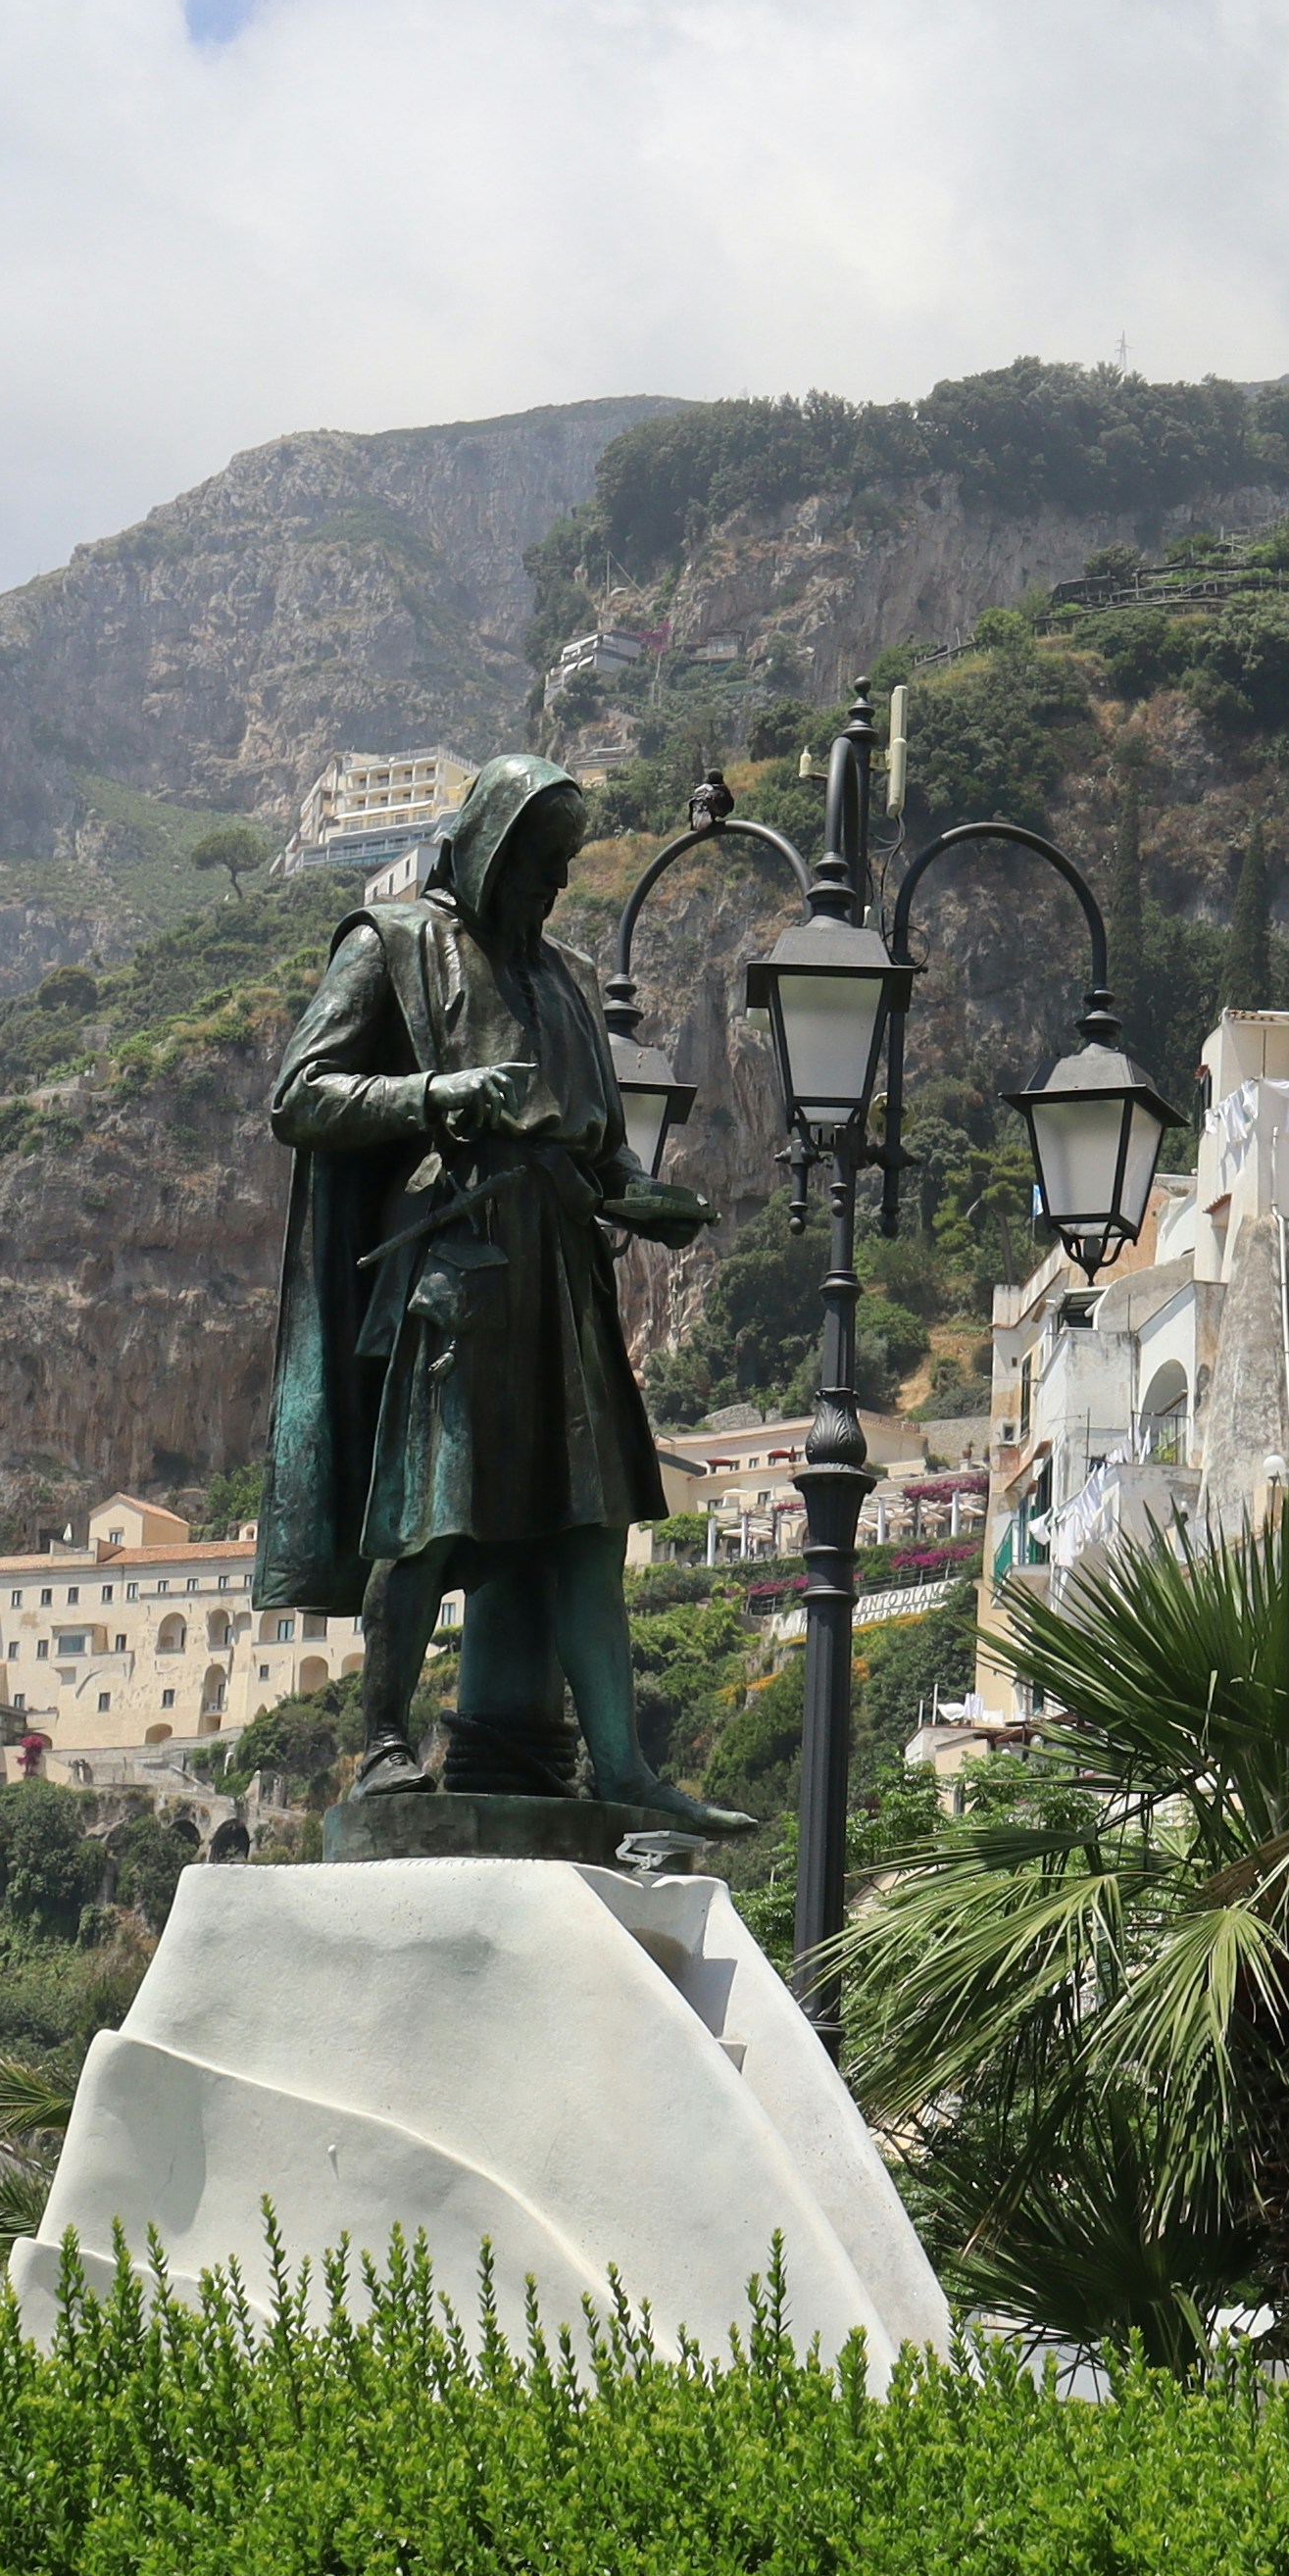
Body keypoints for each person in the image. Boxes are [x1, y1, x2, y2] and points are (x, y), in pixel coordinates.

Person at [256, 757, 754, 1835]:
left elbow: (601, 1146)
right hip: (459, 1271)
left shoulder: (561, 980)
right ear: (486, 849)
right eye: (538, 864)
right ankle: (384, 1743)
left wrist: (643, 1199)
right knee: (428, 1517)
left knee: (588, 1525)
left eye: (564, 866)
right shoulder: (388, 943)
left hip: (562, 1275)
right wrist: (437, 1093)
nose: (553, 888)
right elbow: (299, 1095)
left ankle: (620, 1764)